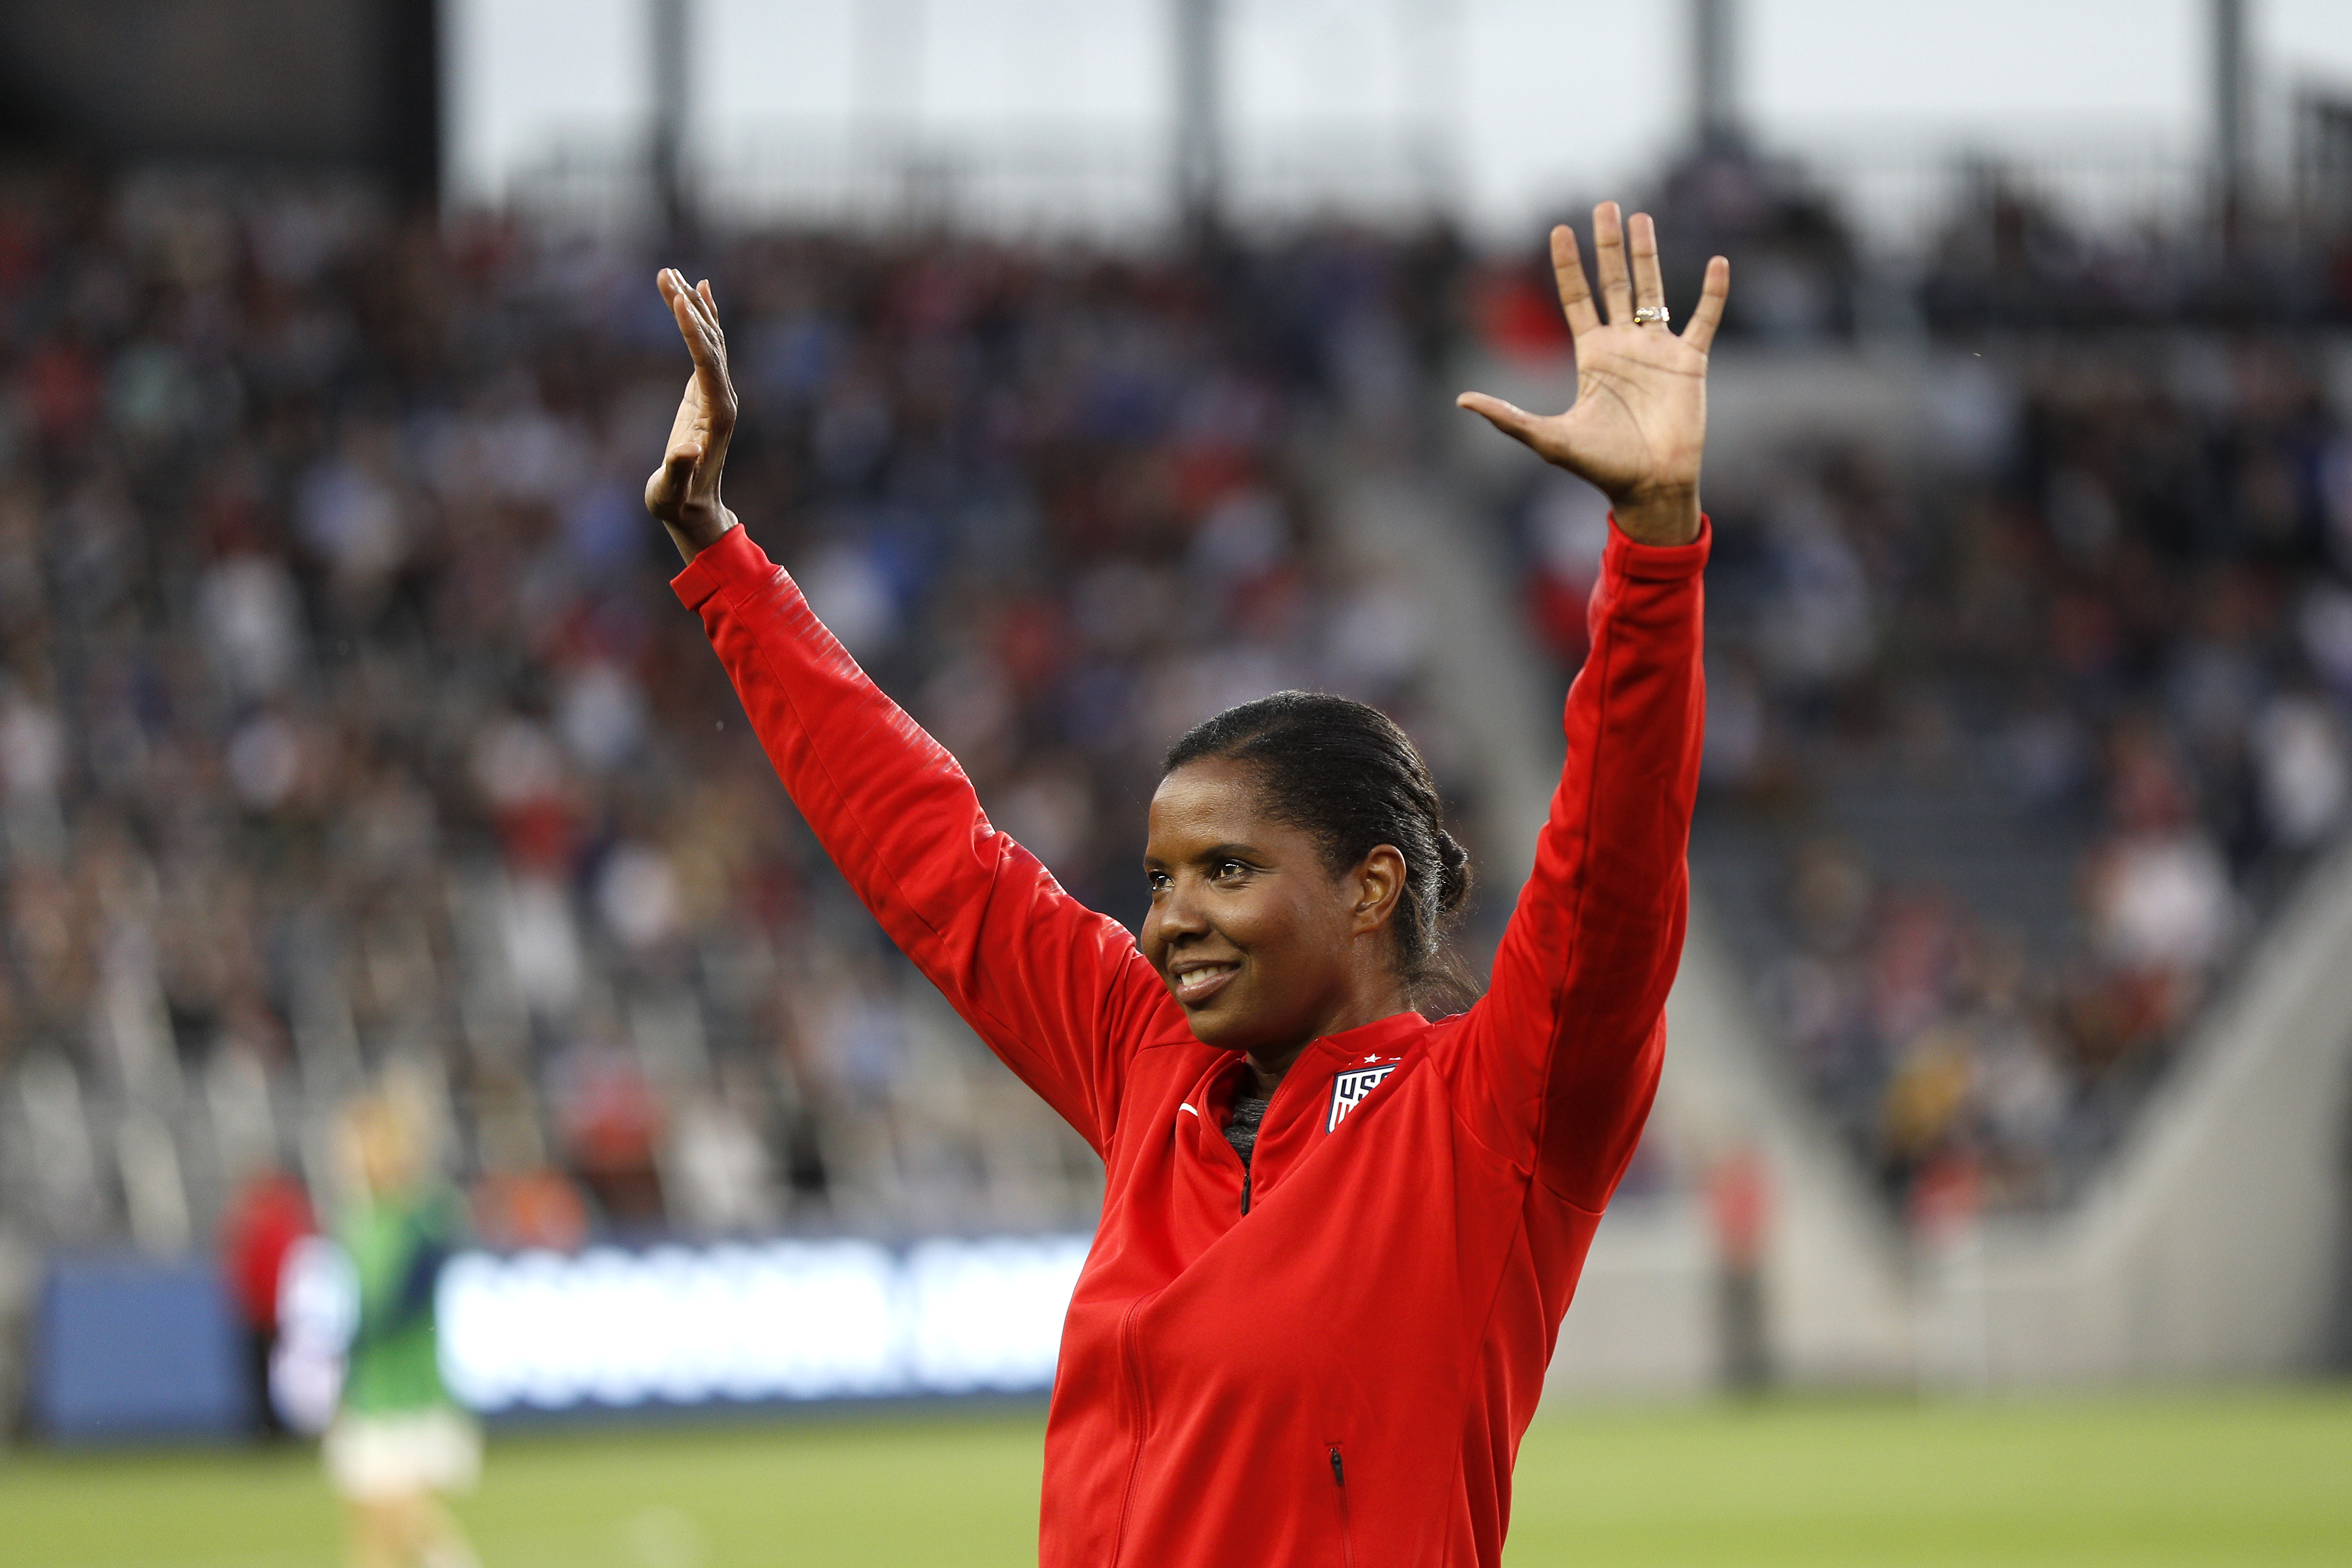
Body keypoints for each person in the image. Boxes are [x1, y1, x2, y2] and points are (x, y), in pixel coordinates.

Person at [645, 202, 1725, 1568]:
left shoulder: (1493, 1110)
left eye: (1225, 869)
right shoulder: (1147, 1060)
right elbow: (936, 859)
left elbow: (1609, 880)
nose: (1168, 919)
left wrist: (1650, 550)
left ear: (1369, 886)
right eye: (1158, 877)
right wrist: (718, 556)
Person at [322, 1092, 482, 1568]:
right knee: (371, 1534)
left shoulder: (423, 1216)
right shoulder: (357, 1220)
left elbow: (395, 1306)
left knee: (405, 1519)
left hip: (409, 1395)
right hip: (368, 1393)